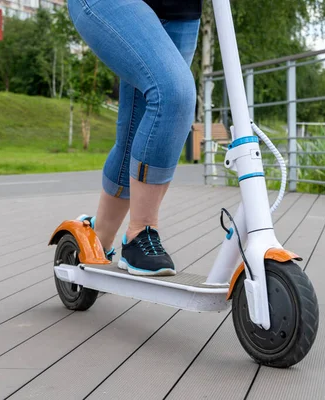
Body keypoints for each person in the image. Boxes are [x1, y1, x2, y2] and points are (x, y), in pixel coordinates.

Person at [68, 0, 202, 277]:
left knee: (140, 128)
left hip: (180, 10)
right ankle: (141, 231)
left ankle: (97, 237)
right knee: (174, 94)